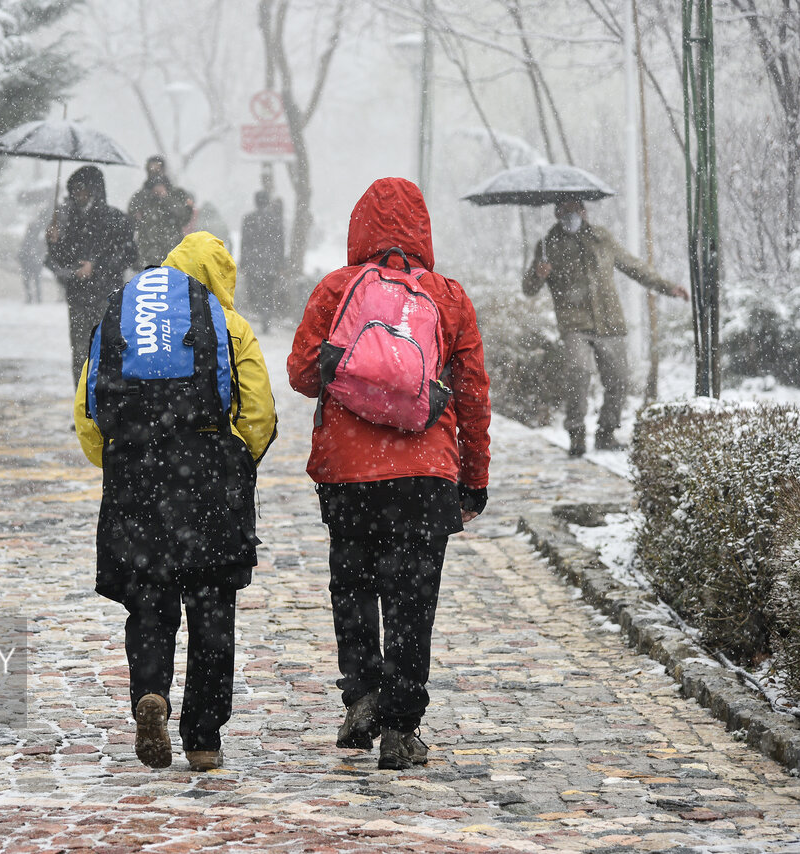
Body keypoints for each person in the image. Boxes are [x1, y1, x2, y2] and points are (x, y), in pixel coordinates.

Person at [287, 177, 491, 771]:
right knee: (412, 599)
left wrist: (348, 369)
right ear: (423, 229)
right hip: (426, 472)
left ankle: (363, 695)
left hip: (348, 472)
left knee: (353, 587)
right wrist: (473, 478)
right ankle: (402, 727)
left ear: (359, 228)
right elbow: (473, 397)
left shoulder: (336, 289)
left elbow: (303, 374)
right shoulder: (449, 297)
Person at [74, 231, 277, 772]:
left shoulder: (125, 319)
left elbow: (88, 411)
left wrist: (119, 463)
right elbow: (257, 412)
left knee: (149, 597)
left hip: (136, 478)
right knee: (212, 606)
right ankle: (204, 737)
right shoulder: (228, 326)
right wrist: (238, 462)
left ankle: (152, 693)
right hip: (209, 478)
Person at [522, 199, 688, 455]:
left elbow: (633, 266)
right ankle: (576, 435)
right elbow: (529, 289)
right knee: (578, 374)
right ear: (557, 213)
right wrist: (538, 274)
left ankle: (606, 433)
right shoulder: (547, 245)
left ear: (584, 211)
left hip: (610, 323)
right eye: (565, 211)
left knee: (619, 379)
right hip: (575, 324)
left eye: (575, 210)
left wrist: (666, 286)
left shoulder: (602, 239)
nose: (571, 216)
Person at [45, 165, 138, 388]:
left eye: (82, 188)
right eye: (74, 189)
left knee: (107, 353)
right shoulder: (67, 220)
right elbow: (59, 259)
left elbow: (129, 255)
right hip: (78, 296)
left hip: (106, 297)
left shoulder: (115, 218)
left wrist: (96, 267)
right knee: (80, 353)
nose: (77, 194)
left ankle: (105, 408)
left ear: (94, 189)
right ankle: (83, 407)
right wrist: (54, 241)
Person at [127, 155, 193, 267]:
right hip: (147, 255)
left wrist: (166, 198)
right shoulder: (139, 197)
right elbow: (132, 222)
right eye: (151, 170)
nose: (154, 174)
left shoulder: (177, 193)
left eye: (157, 170)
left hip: (173, 253)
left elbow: (184, 217)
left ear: (163, 170)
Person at [239, 190, 286, 332]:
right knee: (268, 290)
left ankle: (259, 311)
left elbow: (245, 241)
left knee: (254, 290)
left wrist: (243, 261)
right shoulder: (276, 220)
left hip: (253, 260)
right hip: (270, 261)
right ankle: (266, 317)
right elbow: (280, 243)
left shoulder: (248, 219)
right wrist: (280, 262)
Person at [18, 209, 48, 304]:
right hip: (32, 258)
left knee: (31, 279)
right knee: (35, 279)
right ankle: (35, 298)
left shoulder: (36, 231)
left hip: (31, 258)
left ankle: (32, 297)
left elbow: (26, 244)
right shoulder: (39, 230)